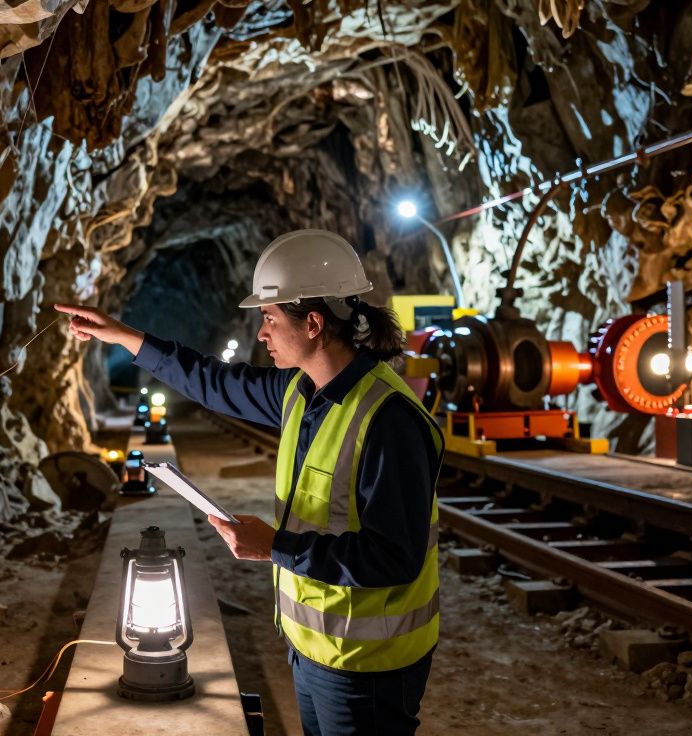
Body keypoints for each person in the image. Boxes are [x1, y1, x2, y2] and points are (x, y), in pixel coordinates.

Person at [55, 229, 444, 735]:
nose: (261, 334)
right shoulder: (301, 392)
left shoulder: (388, 420)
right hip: (314, 648)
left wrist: (276, 546)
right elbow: (213, 383)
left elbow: (395, 557)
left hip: (367, 665)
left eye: (269, 318)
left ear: (313, 324)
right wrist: (125, 336)